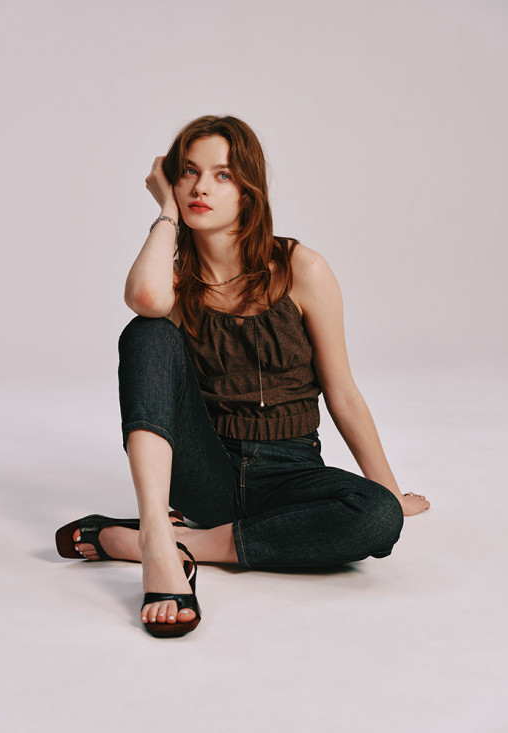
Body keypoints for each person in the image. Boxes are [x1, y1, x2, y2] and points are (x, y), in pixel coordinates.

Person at [55, 114, 430, 638]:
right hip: (206, 471)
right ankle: (158, 539)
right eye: (188, 172)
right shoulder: (175, 283)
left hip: (290, 470)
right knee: (147, 332)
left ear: (248, 191)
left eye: (223, 175)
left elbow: (342, 392)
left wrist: (388, 491)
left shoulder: (301, 269)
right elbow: (145, 298)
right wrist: (166, 211)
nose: (200, 187)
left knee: (377, 518)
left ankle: (166, 541)